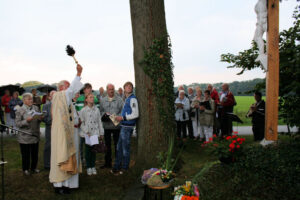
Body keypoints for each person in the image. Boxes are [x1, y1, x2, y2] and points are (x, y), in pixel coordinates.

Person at [49, 64, 83, 195]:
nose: (71, 90)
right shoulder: (59, 96)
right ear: (62, 87)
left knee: (70, 156)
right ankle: (59, 185)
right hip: (61, 134)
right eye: (68, 87)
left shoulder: (67, 100)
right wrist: (78, 74)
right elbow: (71, 91)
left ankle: (69, 184)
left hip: (70, 133)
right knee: (61, 156)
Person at [111, 81, 139, 175]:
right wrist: (118, 118)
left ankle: (125, 167)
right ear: (124, 89)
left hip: (128, 127)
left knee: (125, 149)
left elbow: (135, 114)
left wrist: (123, 118)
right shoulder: (125, 99)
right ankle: (116, 167)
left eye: (130, 86)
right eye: (127, 86)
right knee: (119, 148)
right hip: (123, 126)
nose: (129, 87)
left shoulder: (133, 99)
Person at [15, 93, 42, 175]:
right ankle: (25, 169)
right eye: (29, 99)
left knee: (35, 154)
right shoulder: (20, 110)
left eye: (31, 99)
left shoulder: (36, 108)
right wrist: (27, 121)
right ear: (24, 100)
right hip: (25, 136)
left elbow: (38, 119)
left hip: (35, 135)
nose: (31, 100)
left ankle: (34, 168)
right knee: (26, 155)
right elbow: (18, 123)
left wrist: (40, 118)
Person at [99, 84, 124, 169]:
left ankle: (118, 163)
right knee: (107, 145)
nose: (111, 91)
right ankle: (107, 163)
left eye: (112, 89)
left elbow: (122, 111)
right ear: (107, 90)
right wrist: (104, 116)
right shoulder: (103, 100)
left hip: (116, 126)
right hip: (106, 126)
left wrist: (117, 117)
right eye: (110, 89)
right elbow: (101, 111)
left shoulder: (119, 100)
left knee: (117, 145)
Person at [80, 93, 104, 175]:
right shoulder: (83, 110)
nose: (92, 98)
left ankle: (93, 166)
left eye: (93, 97)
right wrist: (86, 131)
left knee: (94, 150)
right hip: (87, 133)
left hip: (95, 133)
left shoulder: (96, 109)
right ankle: (88, 167)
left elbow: (99, 122)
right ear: (86, 99)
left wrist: (101, 133)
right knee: (88, 151)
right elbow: (81, 123)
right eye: (90, 97)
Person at [75, 83, 99, 164]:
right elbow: (77, 111)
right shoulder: (79, 99)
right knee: (81, 143)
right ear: (84, 90)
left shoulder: (95, 99)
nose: (89, 90)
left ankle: (91, 161)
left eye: (90, 88)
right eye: (87, 88)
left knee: (92, 144)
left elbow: (97, 112)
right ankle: (81, 160)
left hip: (92, 126)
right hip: (82, 124)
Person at [42, 90, 56, 170]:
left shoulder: (60, 105)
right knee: (48, 146)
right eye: (53, 95)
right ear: (50, 97)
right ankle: (47, 164)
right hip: (49, 128)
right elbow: (43, 118)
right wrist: (51, 122)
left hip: (58, 129)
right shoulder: (46, 106)